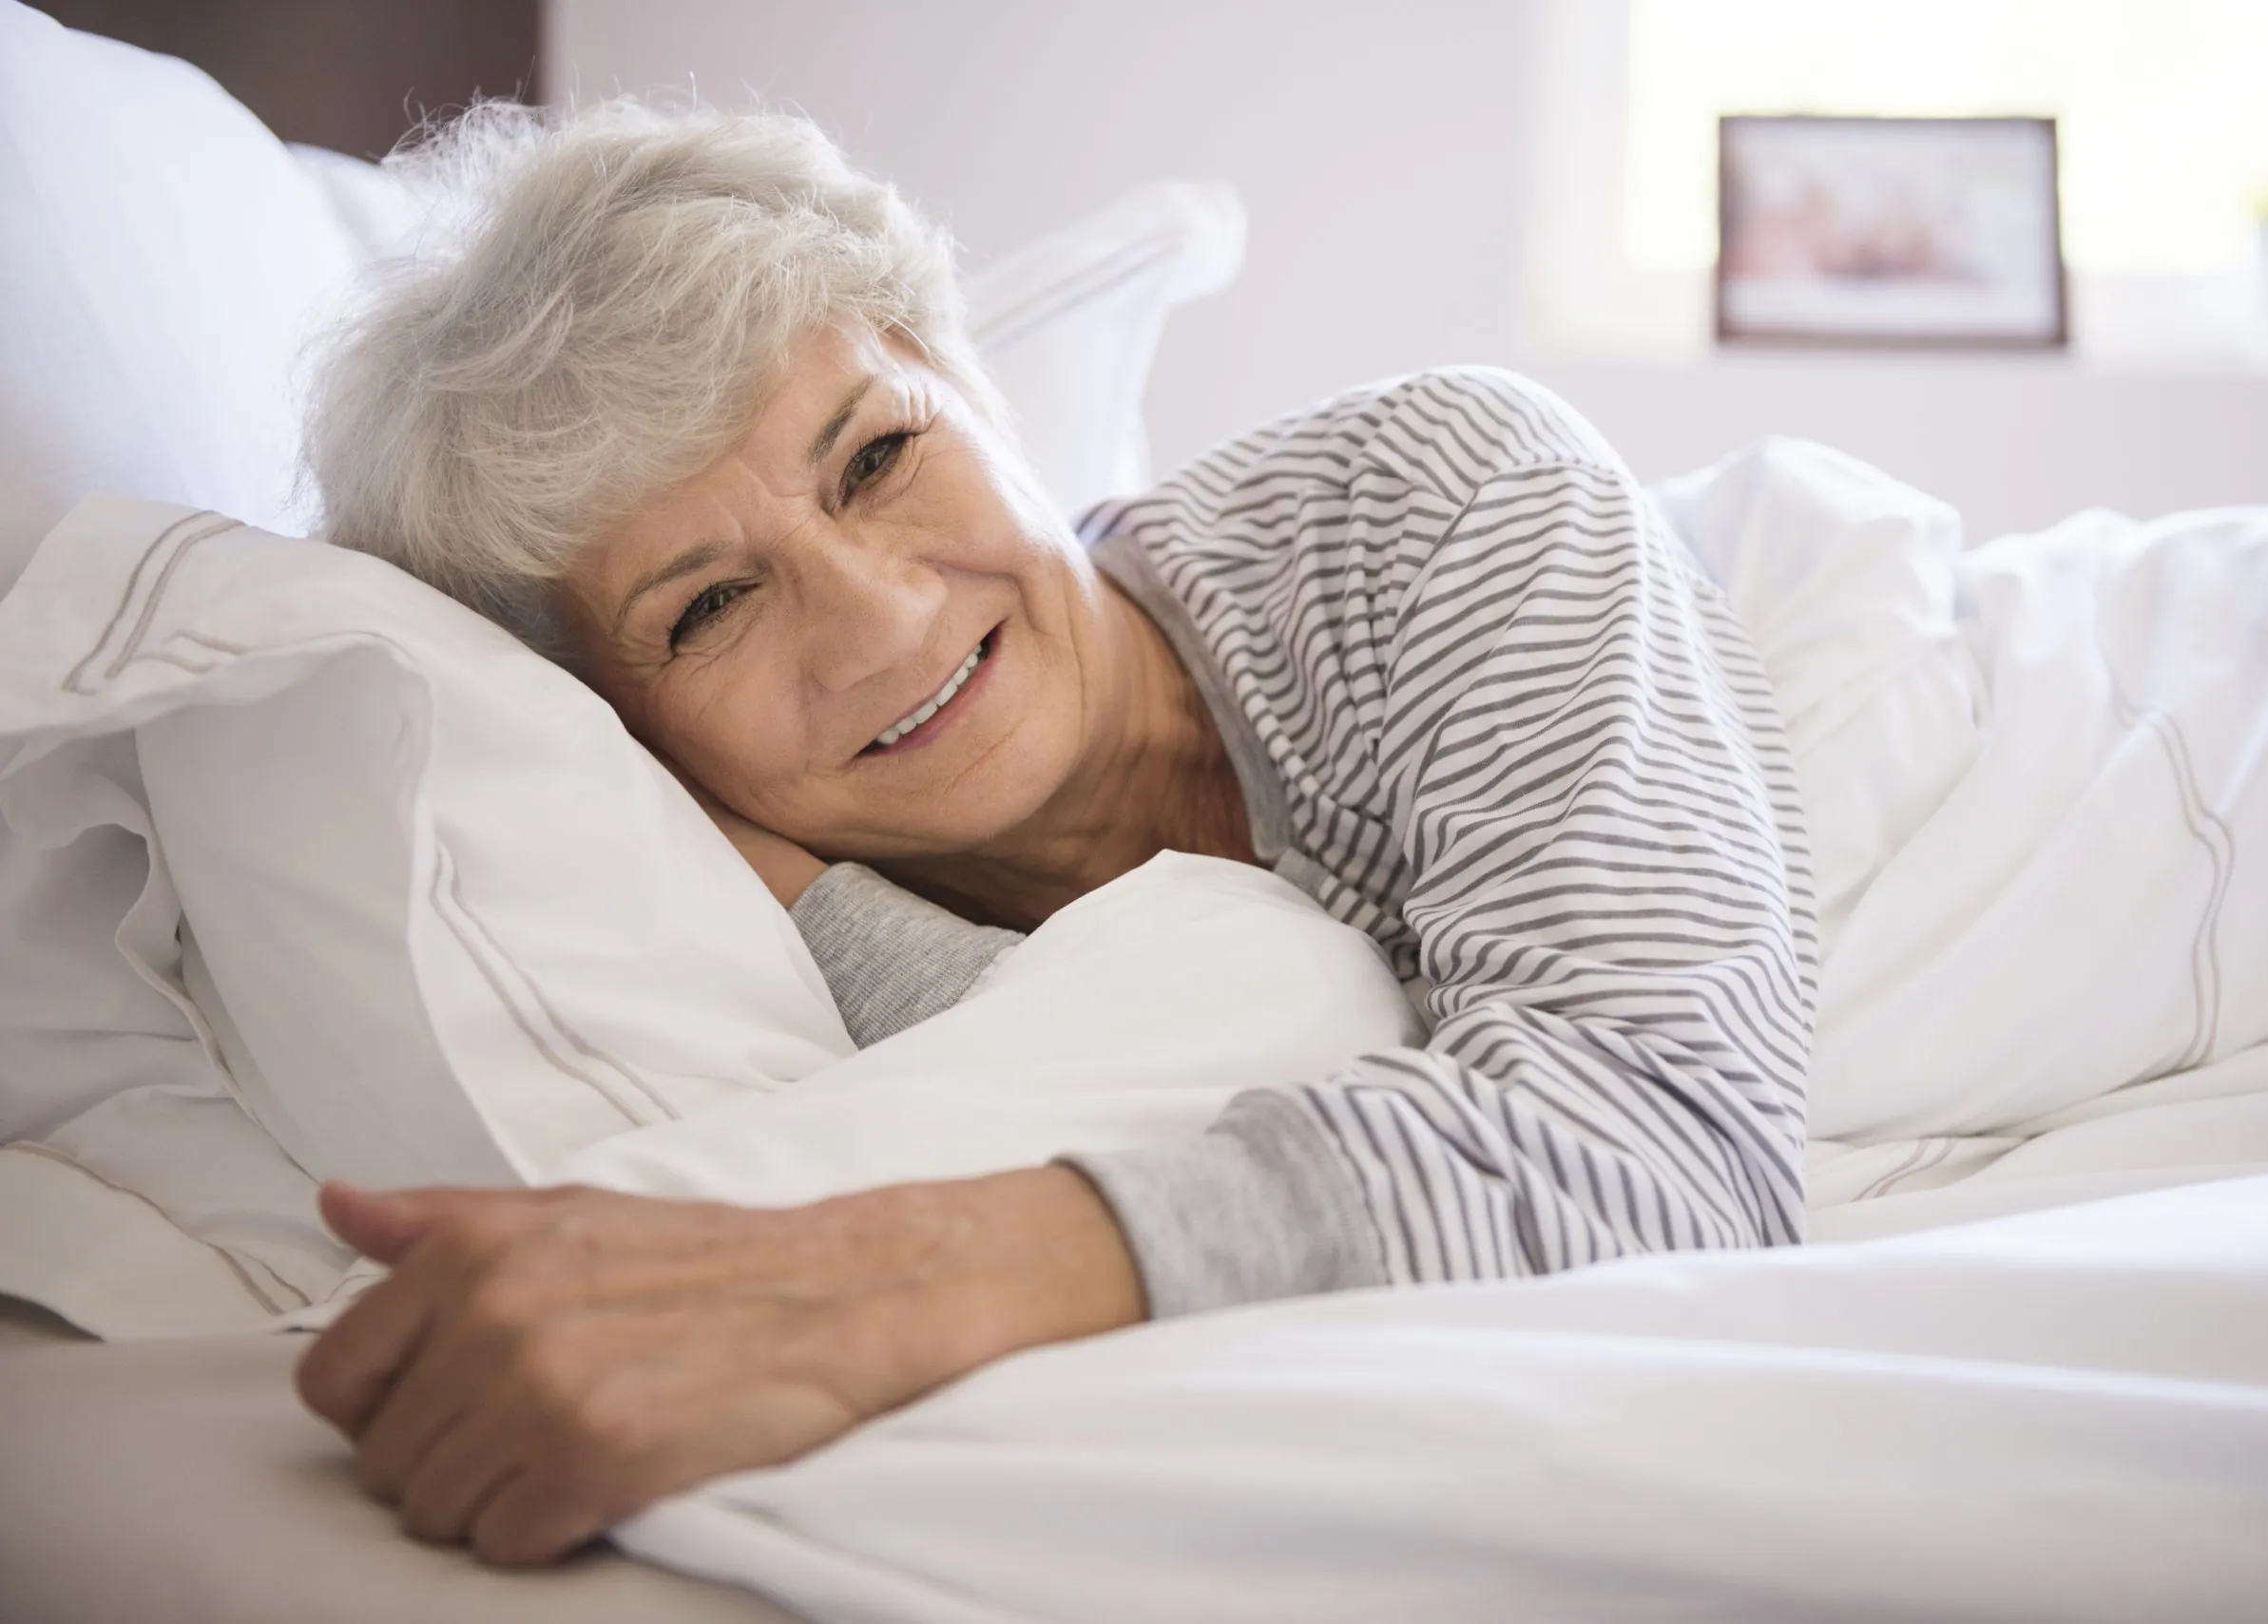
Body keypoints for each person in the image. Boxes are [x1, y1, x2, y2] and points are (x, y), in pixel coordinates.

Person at [293, 101, 1817, 1567]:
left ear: (974, 387)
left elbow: (1670, 1144)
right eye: (708, 607)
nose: (884, 624)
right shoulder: (725, 911)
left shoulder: (1440, 498)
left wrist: (847, 1296)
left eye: (877, 458)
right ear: (617, 731)